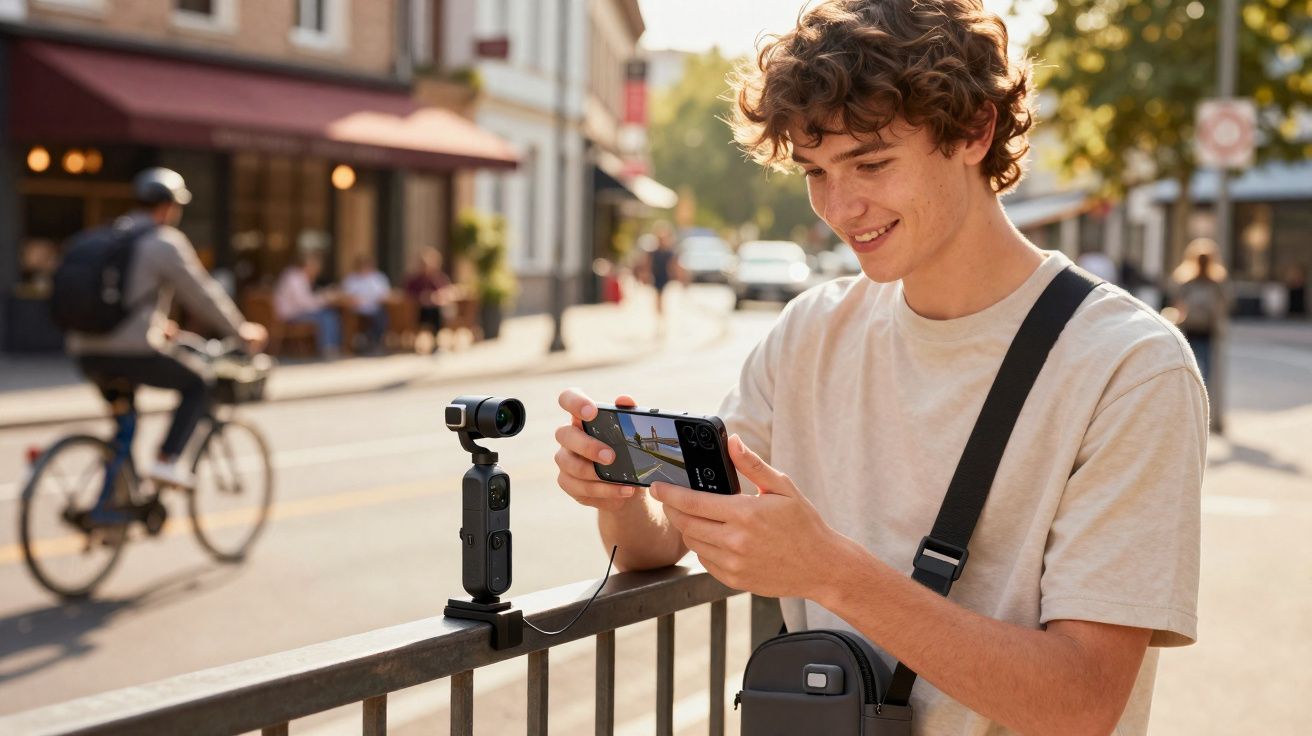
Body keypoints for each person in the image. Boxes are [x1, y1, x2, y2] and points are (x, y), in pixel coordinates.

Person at [552, 2, 1206, 734]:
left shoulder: (1130, 367)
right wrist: (616, 495)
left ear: (975, 130)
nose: (840, 206)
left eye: (870, 162)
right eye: (816, 171)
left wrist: (827, 569)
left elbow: (1081, 702)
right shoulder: (810, 332)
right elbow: (666, 541)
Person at [67, 167, 268, 489]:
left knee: (126, 425)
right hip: (131, 353)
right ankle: (167, 461)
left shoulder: (110, 236)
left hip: (85, 350)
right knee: (198, 383)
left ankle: (114, 503)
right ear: (169, 206)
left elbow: (118, 298)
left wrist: (159, 325)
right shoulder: (163, 242)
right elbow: (203, 294)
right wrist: (241, 330)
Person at [1169, 238, 1231, 388]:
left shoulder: (1212, 283)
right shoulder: (1193, 281)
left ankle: (1198, 393)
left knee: (1197, 366)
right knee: (1199, 367)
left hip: (1202, 329)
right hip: (1195, 329)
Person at [273, 251, 342, 358]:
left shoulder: (295, 276)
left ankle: (330, 347)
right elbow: (305, 304)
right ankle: (329, 348)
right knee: (328, 316)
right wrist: (325, 298)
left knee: (328, 314)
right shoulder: (295, 279)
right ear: (308, 266)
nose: (317, 272)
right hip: (291, 315)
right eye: (316, 268)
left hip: (294, 312)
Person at [636, 222, 686, 329]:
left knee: (663, 296)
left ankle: (663, 316)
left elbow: (674, 265)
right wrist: (644, 275)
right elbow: (647, 264)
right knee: (658, 296)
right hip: (657, 275)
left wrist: (679, 277)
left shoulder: (670, 252)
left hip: (665, 276)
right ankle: (659, 316)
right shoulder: (653, 252)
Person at [403, 247, 454, 353]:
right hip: (418, 311)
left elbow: (447, 293)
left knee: (438, 312)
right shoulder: (414, 280)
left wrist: (436, 297)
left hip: (435, 309)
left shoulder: (439, 279)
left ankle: (436, 343)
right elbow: (408, 295)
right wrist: (422, 298)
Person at [341, 253, 391, 354]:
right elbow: (345, 296)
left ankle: (374, 343)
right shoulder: (350, 279)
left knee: (381, 317)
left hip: (375, 309)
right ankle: (358, 343)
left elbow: (385, 295)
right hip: (356, 310)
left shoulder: (378, 278)